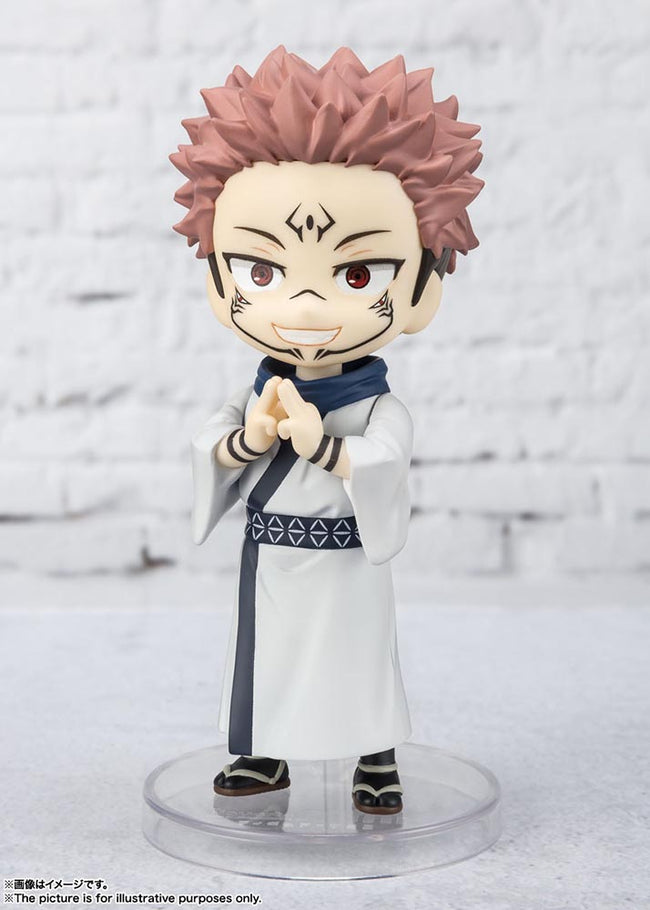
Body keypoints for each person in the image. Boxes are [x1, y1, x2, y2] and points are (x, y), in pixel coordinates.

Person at [170, 46, 483, 814]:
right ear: (217, 281)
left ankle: (375, 757)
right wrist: (250, 440)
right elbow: (208, 446)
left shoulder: (377, 408)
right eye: (262, 272)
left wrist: (323, 448)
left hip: (346, 563)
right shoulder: (256, 394)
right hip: (274, 559)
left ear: (422, 290)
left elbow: (384, 461)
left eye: (356, 275)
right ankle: (263, 752)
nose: (304, 307)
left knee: (359, 663)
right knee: (268, 662)